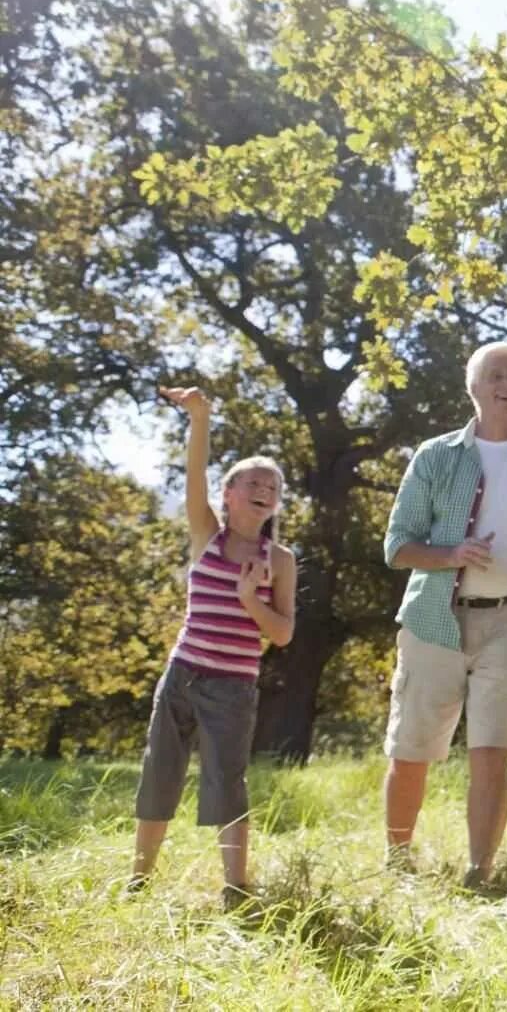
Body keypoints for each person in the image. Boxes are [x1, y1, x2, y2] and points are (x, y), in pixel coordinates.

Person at [381, 341, 507, 888]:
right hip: (435, 618)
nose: (506, 384)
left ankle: (479, 873)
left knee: (492, 750)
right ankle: (398, 864)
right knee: (412, 748)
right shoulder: (436, 455)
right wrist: (451, 555)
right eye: (495, 375)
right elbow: (397, 545)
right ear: (474, 387)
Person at [132, 387, 296, 910]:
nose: (264, 489)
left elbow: (283, 634)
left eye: (272, 486)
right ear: (229, 493)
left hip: (232, 687)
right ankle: (138, 881)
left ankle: (235, 889)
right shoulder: (206, 535)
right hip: (182, 676)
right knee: (161, 772)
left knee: (227, 782)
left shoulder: (281, 560)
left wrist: (251, 600)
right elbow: (194, 475)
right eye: (253, 481)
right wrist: (200, 417)